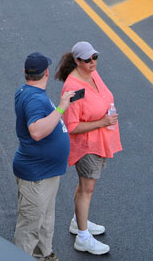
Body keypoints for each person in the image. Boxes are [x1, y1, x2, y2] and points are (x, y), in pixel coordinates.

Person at [55, 42, 120, 257]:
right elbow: (72, 126)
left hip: (99, 141)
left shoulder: (91, 73)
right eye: (87, 60)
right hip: (87, 146)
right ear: (77, 61)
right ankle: (82, 238)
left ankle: (77, 222)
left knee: (84, 186)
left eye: (95, 57)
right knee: (87, 189)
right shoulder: (73, 89)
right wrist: (103, 122)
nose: (93, 62)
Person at [12, 52, 73, 261]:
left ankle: (44, 255)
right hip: (36, 176)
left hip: (45, 173)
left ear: (25, 73)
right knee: (29, 227)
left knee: (45, 220)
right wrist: (62, 107)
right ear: (46, 73)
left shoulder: (26, 91)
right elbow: (36, 131)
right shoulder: (35, 99)